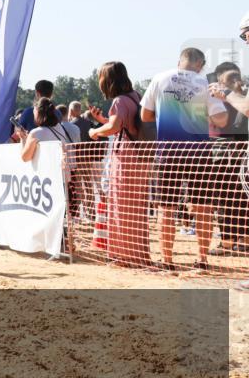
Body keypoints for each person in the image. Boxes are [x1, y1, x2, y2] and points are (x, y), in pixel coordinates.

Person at [141, 48, 227, 271]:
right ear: (201, 64)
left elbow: (145, 115)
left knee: (166, 209)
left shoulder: (160, 78)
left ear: (180, 61)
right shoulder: (207, 84)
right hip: (199, 154)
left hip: (168, 152)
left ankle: (167, 261)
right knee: (203, 208)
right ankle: (202, 259)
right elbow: (222, 120)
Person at [87, 62, 155, 268]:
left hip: (125, 159)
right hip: (141, 158)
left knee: (120, 206)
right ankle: (137, 254)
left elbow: (115, 127)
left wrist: (95, 130)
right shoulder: (135, 96)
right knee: (136, 208)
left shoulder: (118, 101)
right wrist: (104, 120)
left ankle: (123, 257)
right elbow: (125, 125)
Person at [205, 64, 248, 257]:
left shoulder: (225, 99)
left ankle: (229, 242)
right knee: (241, 200)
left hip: (224, 153)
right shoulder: (241, 97)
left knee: (223, 198)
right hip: (238, 153)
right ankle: (243, 241)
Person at [14, 97, 72, 161]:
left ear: (38, 113)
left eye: (34, 113)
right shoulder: (59, 127)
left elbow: (25, 158)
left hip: (47, 170)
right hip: (62, 170)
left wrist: (22, 138)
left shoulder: (35, 133)